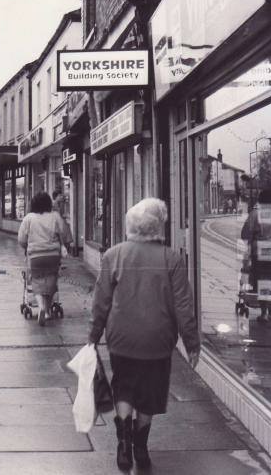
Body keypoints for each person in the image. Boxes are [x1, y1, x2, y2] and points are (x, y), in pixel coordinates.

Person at [89, 198, 200, 471]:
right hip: (157, 341)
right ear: (158, 226)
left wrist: (93, 335)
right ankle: (140, 447)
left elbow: (101, 301)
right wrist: (192, 344)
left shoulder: (113, 255)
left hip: (121, 338)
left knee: (124, 386)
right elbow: (183, 306)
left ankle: (123, 442)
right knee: (149, 393)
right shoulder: (171, 259)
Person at [17, 192, 73, 326]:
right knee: (51, 282)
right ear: (49, 203)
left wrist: (27, 247)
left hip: (36, 256)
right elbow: (65, 235)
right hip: (53, 256)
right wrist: (65, 245)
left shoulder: (28, 218)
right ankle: (47, 312)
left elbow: (21, 239)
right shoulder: (55, 217)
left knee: (36, 281)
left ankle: (41, 306)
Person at [240, 189, 271, 323]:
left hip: (264, 249)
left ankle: (264, 313)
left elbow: (245, 233)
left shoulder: (258, 214)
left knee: (265, 281)